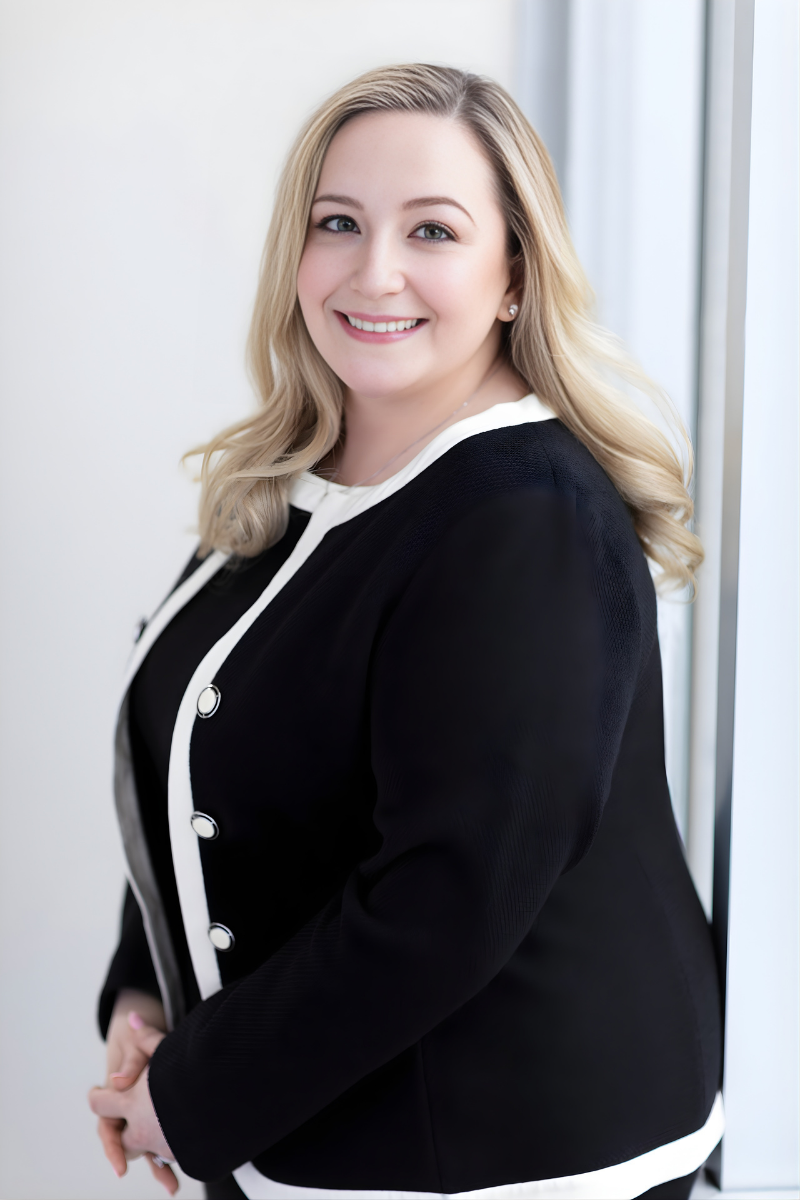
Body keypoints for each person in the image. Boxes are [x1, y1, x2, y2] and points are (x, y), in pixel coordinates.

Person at [88, 64, 723, 1200]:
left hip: (512, 1160)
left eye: (432, 229)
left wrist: (188, 1096)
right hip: (332, 1127)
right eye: (339, 224)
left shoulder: (525, 518)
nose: (373, 271)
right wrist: (149, 992)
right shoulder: (289, 486)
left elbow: (447, 897)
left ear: (513, 275)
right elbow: (200, 758)